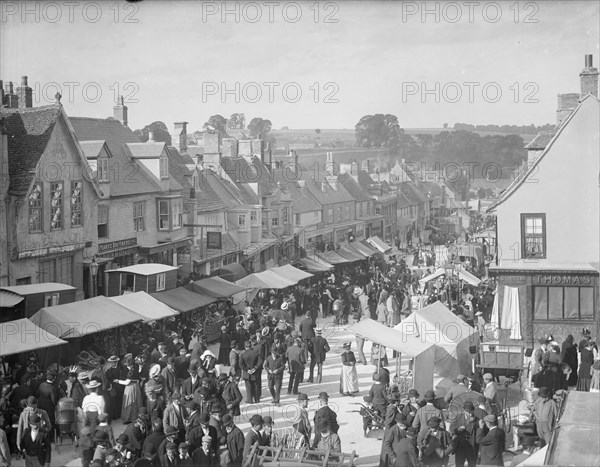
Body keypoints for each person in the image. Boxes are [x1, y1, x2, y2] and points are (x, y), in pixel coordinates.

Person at [449, 401, 479, 467]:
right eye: (467, 411)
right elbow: (451, 427)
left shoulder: (476, 419)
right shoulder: (458, 417)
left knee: (472, 464)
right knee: (459, 464)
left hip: (472, 445)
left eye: (470, 411)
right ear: (464, 410)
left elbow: (479, 432)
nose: (469, 413)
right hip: (460, 445)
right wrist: (457, 430)